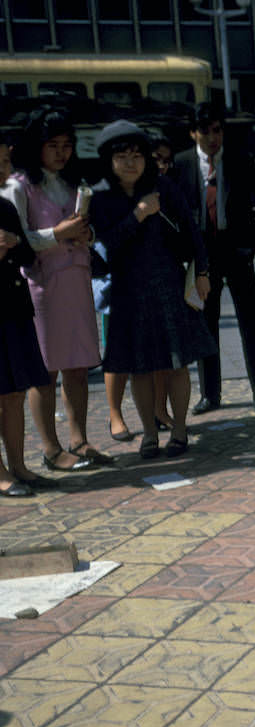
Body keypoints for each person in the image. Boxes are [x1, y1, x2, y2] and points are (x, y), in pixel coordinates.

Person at [90, 121, 217, 459]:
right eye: (122, 157)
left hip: (168, 286)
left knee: (177, 364)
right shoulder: (100, 198)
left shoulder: (164, 187)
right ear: (108, 160)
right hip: (127, 292)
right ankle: (149, 432)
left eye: (137, 155)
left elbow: (192, 232)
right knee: (139, 367)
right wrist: (139, 215)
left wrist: (202, 271)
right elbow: (103, 249)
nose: (131, 163)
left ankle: (179, 428)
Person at [3, 109, 103, 472]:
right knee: (44, 369)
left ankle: (79, 439)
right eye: (53, 146)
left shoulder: (72, 182)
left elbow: (85, 230)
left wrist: (86, 234)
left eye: (67, 146)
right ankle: (50, 447)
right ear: (35, 147)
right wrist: (58, 234)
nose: (61, 153)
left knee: (77, 365)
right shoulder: (19, 185)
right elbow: (18, 240)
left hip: (77, 281)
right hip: (42, 285)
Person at [174, 102, 255, 415]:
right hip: (203, 254)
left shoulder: (239, 160)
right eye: (205, 131)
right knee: (207, 322)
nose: (212, 137)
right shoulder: (183, 164)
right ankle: (210, 394)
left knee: (250, 320)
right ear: (194, 133)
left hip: (237, 249)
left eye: (217, 130)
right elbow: (176, 212)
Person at [0, 139, 55, 495]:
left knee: (15, 393)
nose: (1, 168)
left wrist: (13, 244)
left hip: (12, 308)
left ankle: (18, 464)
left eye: (4, 161)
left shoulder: (5, 206)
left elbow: (26, 255)